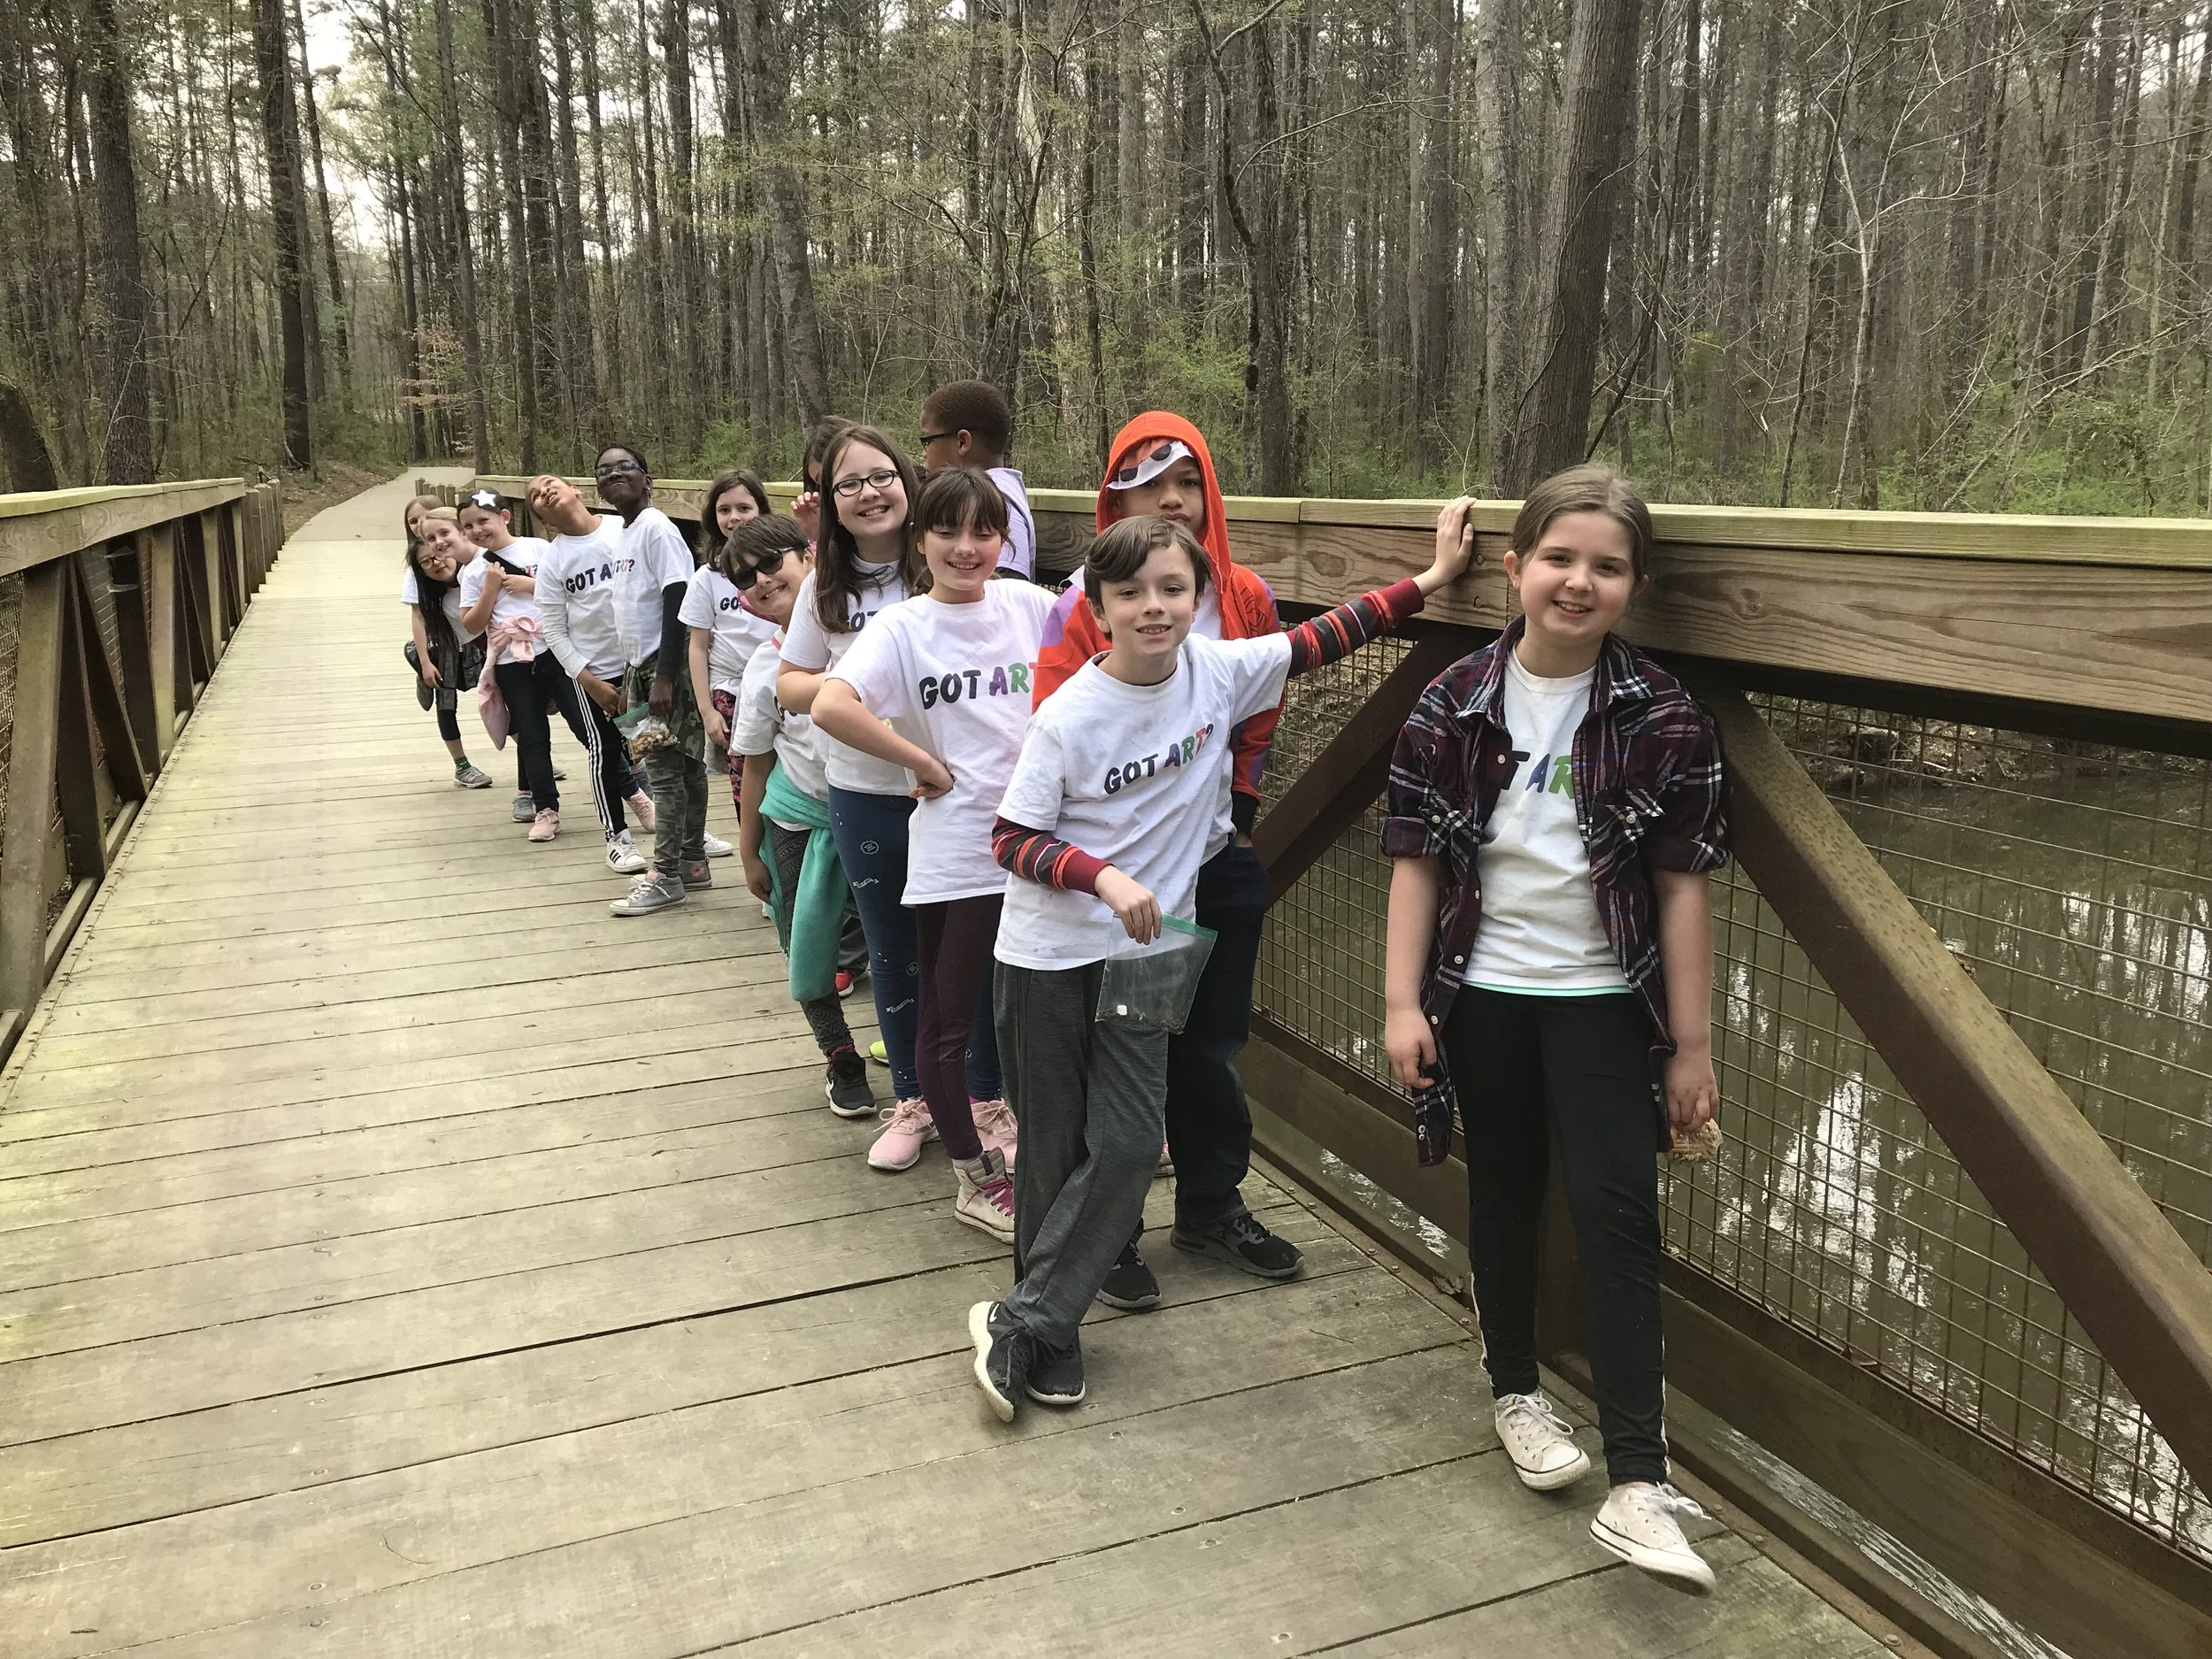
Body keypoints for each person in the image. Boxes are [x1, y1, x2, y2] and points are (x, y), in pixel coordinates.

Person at [968, 503, 1475, 1421]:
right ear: (1099, 605)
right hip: (1048, 954)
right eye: (1130, 593)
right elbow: (1010, 838)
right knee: (1053, 1150)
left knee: (1125, 1144)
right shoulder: (1070, 716)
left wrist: (1433, 583)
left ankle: (1023, 1316)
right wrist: (1103, 876)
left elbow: (1329, 635)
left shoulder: (1222, 671)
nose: (1154, 607)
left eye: (1173, 589)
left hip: (1156, 955)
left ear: (1202, 597)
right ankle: (1052, 1328)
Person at [1380, 465, 1729, 1593]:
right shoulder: (1451, 701)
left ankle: (1638, 1478)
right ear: (1517, 566)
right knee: (1504, 1191)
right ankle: (1517, 1395)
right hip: (1479, 993)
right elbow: (1414, 859)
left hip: (1599, 1002)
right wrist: (1399, 1003)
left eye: (1608, 566)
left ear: (1635, 584)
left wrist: (1692, 1045)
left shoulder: (1663, 713)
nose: (1579, 582)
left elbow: (1681, 886)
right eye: (1560, 558)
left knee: (1618, 1211)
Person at [1031, 411, 1294, 1308]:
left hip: (1212, 862)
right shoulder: (1082, 605)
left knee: (1209, 1039)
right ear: (1115, 502)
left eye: (1186, 482)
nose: (1170, 500)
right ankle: (1106, 1235)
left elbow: (1265, 699)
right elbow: (1052, 728)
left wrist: (1246, 803)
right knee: (1110, 1049)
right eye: (1148, 485)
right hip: (1114, 879)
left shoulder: (1241, 592)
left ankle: (1211, 1205)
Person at [813, 469, 1049, 1241]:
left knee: (1046, 1008)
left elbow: (1098, 656)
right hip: (959, 852)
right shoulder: (902, 627)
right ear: (922, 541)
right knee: (947, 1023)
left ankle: (1060, 1145)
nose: (966, 547)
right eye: (948, 531)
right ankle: (974, 1177)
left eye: (984, 531)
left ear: (1004, 539)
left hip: (1042, 846)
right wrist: (922, 761)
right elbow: (830, 702)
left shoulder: (1030, 606)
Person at [776, 425, 1007, 1172]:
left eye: (883, 476)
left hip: (958, 798)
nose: (870, 493)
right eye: (849, 484)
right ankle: (912, 1098)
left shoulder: (946, 562)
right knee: (895, 952)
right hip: (867, 791)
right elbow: (789, 683)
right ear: (831, 503)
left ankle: (983, 1097)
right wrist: (858, 679)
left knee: (973, 956)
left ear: (910, 485)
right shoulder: (823, 588)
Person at [726, 515, 876, 1121]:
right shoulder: (764, 668)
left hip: (872, 809)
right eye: (743, 577)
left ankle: (919, 1053)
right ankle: (839, 1054)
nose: (760, 580)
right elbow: (756, 765)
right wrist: (747, 847)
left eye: (770, 562)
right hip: (798, 815)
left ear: (809, 556)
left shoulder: (865, 636)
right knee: (804, 938)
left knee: (893, 937)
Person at [595, 444, 713, 917]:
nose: (615, 474)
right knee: (685, 767)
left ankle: (664, 875)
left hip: (667, 669)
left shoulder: (657, 529)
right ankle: (691, 861)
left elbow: (678, 599)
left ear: (648, 479)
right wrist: (632, 675)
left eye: (627, 467)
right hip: (642, 670)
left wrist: (664, 675)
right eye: (604, 471)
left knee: (662, 771)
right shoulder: (624, 533)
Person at [527, 473, 657, 872]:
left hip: (643, 663)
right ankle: (616, 839)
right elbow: (553, 629)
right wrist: (589, 682)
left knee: (658, 747)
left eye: (551, 483)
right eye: (534, 495)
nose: (544, 491)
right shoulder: (554, 560)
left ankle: (677, 826)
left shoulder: (626, 529)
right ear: (540, 516)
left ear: (577, 490)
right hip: (596, 673)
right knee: (603, 751)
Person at [457, 488, 588, 841]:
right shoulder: (472, 572)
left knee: (586, 725)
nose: (477, 531)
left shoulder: (539, 549)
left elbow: (569, 592)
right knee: (531, 735)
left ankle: (632, 791)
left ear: (505, 516)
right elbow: (470, 625)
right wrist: (490, 588)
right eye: (467, 526)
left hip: (556, 649)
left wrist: (530, 585)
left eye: (483, 520)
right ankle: (546, 809)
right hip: (512, 659)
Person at [686, 480, 780, 821]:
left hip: (780, 684)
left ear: (761, 511)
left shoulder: (781, 568)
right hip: (730, 691)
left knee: (785, 774)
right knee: (744, 781)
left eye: (744, 508)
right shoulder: (707, 578)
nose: (734, 518)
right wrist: (707, 710)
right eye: (724, 510)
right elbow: (697, 646)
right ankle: (753, 854)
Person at [401, 510, 493, 789]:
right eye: (427, 561)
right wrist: (427, 662)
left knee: (501, 699)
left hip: (481, 646)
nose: (437, 562)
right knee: (446, 702)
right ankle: (462, 766)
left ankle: (534, 758)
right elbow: (417, 615)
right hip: (445, 645)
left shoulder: (473, 571)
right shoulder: (425, 585)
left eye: (439, 551)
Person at [919, 380, 1035, 580]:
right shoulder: (1000, 489)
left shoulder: (997, 499)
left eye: (927, 441)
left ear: (963, 442)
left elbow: (1006, 590)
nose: (924, 454)